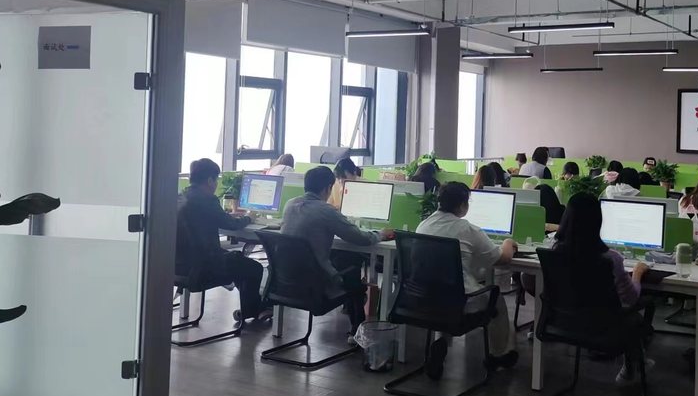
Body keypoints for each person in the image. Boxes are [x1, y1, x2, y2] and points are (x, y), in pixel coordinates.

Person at [551, 193, 655, 384]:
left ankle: (632, 365)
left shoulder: (555, 252)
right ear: (598, 221)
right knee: (635, 314)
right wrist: (637, 273)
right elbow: (631, 298)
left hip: (565, 323)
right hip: (605, 327)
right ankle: (632, 364)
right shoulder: (611, 258)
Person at [416, 182, 519, 375]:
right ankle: (499, 354)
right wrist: (508, 242)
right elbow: (503, 259)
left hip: (425, 298)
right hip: (459, 302)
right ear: (462, 205)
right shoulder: (467, 229)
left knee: (448, 289)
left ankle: (441, 342)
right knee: (496, 297)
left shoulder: (424, 225)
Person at [281, 166, 394, 335]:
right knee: (353, 272)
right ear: (328, 188)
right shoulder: (326, 211)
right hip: (317, 283)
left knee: (345, 258)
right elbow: (360, 238)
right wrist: (381, 234)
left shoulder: (290, 205)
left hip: (287, 279)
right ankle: (358, 330)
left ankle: (355, 324)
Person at [177, 159, 271, 323]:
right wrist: (249, 217)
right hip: (205, 266)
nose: (216, 184)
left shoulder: (182, 197)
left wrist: (226, 216)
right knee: (253, 267)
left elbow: (213, 219)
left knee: (239, 262)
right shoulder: (207, 200)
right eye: (216, 180)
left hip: (181, 265)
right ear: (209, 180)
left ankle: (250, 308)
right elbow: (232, 225)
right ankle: (254, 309)